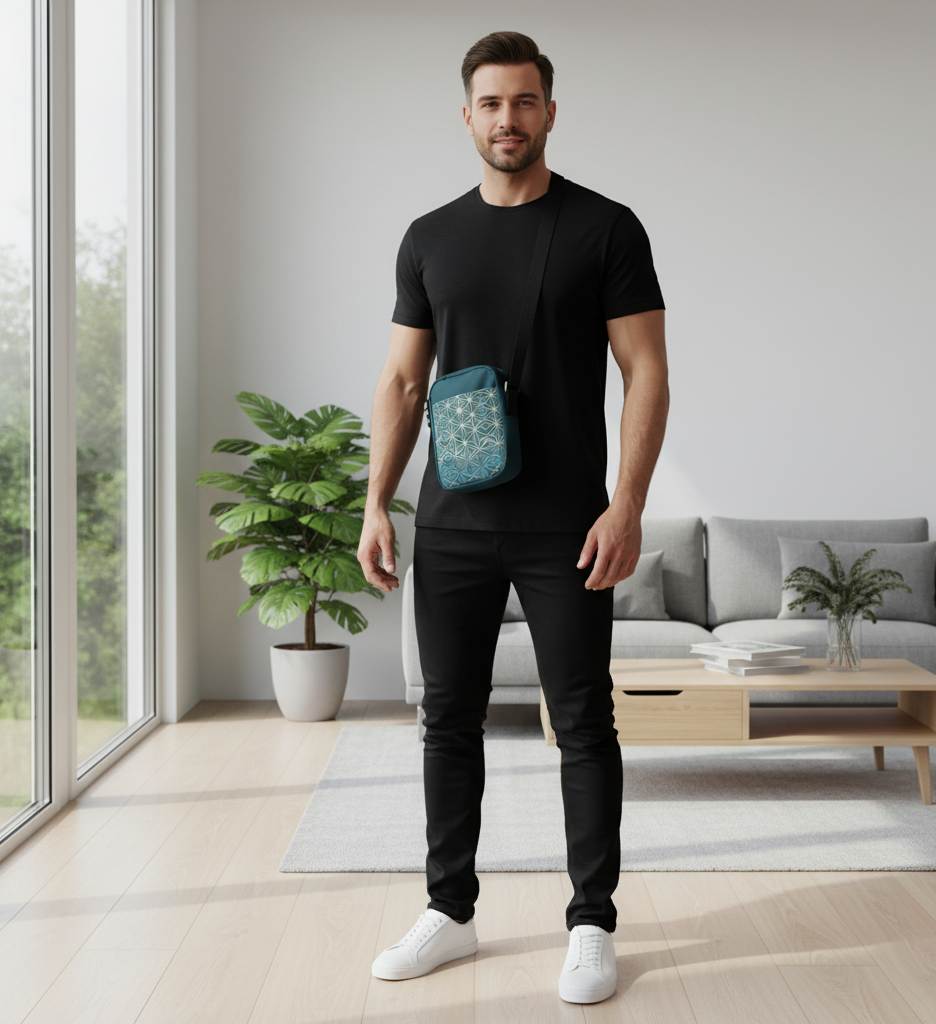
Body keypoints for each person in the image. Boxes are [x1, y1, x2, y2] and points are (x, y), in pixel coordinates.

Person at [357, 29, 669, 1006]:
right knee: (445, 718)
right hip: (449, 520)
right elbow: (405, 381)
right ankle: (448, 910)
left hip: (568, 522)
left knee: (582, 722)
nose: (507, 119)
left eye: (524, 101)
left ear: (549, 110)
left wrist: (627, 504)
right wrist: (377, 500)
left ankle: (591, 922)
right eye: (490, 103)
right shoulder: (428, 237)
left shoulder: (605, 229)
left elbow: (646, 372)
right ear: (467, 115)